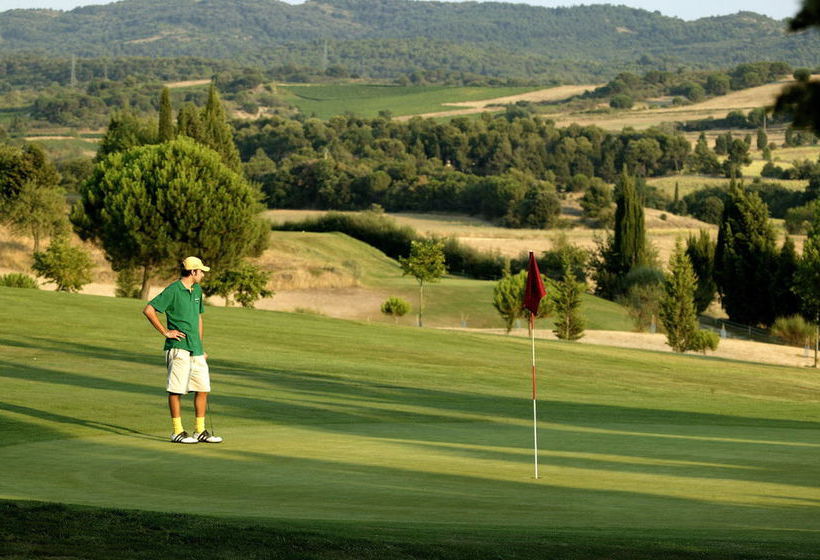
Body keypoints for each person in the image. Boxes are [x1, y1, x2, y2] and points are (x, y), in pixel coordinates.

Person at [143, 256, 223, 444]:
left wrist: (201, 346)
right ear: (193, 272)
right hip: (178, 348)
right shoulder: (173, 290)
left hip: (196, 349)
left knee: (203, 388)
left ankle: (200, 431)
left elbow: (199, 319)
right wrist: (166, 332)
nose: (203, 274)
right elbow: (149, 310)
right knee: (176, 390)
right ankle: (177, 431)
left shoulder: (197, 289)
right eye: (201, 271)